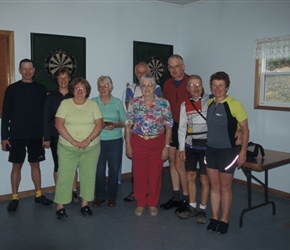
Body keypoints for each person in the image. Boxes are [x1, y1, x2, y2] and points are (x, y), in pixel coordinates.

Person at [1, 58, 53, 212]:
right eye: (24, 69)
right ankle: (15, 197)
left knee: (35, 165)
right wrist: (4, 137)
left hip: (36, 134)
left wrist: (46, 135)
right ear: (19, 71)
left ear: (34, 70)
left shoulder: (40, 89)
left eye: (30, 68)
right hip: (16, 134)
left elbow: (45, 115)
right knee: (17, 165)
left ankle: (38, 195)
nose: (28, 72)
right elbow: (6, 114)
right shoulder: (11, 89)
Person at [205, 71, 249, 234]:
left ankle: (224, 219)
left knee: (225, 187)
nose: (217, 89)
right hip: (210, 150)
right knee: (214, 186)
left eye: (220, 85)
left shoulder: (234, 104)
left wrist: (243, 151)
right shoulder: (209, 103)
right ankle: (215, 217)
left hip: (228, 152)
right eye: (214, 85)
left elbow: (245, 128)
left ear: (227, 87)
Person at [54, 77, 103, 219]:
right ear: (73, 91)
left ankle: (85, 205)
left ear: (87, 91)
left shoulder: (93, 105)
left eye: (83, 88)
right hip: (67, 148)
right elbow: (59, 124)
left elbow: (99, 125)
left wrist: (88, 140)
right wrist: (74, 141)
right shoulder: (65, 104)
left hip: (91, 148)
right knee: (64, 176)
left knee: (88, 176)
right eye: (77, 88)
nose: (80, 90)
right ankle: (60, 206)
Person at [125, 74, 173, 216]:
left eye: (150, 85)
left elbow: (169, 127)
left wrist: (167, 147)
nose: (147, 88)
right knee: (139, 174)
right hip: (138, 142)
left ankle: (152, 202)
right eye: (144, 85)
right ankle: (140, 202)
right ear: (140, 88)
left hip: (157, 143)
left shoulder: (164, 103)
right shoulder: (134, 103)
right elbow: (128, 126)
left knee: (155, 174)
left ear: (155, 87)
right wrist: (128, 144)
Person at [123, 62, 162, 202]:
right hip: (137, 135)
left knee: (152, 170)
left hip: (154, 137)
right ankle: (138, 193)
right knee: (138, 169)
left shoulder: (156, 88)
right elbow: (130, 111)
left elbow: (155, 109)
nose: (141, 75)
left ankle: (150, 196)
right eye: (139, 72)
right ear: (136, 74)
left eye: (144, 71)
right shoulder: (130, 89)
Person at [43, 68, 79, 203]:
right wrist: (46, 138)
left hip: (73, 135)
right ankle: (60, 192)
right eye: (60, 78)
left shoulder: (74, 96)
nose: (63, 80)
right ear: (56, 80)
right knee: (58, 165)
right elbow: (45, 118)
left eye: (65, 77)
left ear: (69, 79)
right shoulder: (51, 97)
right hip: (55, 135)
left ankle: (74, 191)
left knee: (73, 164)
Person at [177, 75, 210, 223]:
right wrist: (181, 148)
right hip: (190, 146)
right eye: (192, 85)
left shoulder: (211, 101)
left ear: (202, 86)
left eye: (198, 85)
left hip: (207, 147)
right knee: (190, 176)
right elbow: (182, 128)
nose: (196, 88)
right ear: (187, 88)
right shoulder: (184, 105)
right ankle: (191, 206)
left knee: (204, 178)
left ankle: (202, 209)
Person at [161, 54, 190, 213]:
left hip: (186, 127)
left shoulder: (191, 82)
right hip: (171, 125)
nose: (173, 69)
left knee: (180, 163)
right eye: (170, 67)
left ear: (183, 66)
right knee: (171, 162)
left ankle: (186, 199)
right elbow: (165, 105)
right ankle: (176, 197)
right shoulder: (167, 84)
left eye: (176, 66)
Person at [91, 76, 126, 207]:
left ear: (110, 87)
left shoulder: (117, 102)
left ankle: (112, 196)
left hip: (115, 141)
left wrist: (116, 125)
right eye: (100, 86)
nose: (102, 89)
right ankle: (99, 196)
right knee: (99, 170)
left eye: (105, 86)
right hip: (97, 141)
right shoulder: (93, 102)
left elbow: (124, 121)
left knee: (114, 170)